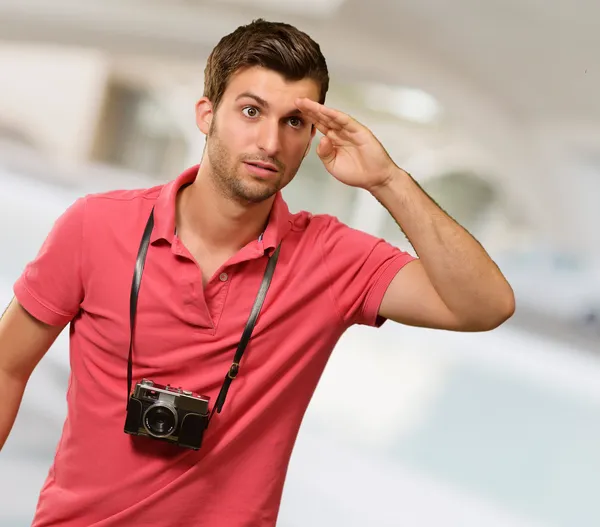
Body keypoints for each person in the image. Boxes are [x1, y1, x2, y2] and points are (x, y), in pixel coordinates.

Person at [0, 18, 515, 527]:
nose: (270, 142)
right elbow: (7, 366)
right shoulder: (95, 225)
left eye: (293, 122)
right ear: (206, 115)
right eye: (251, 111)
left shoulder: (332, 258)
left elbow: (485, 305)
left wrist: (388, 180)